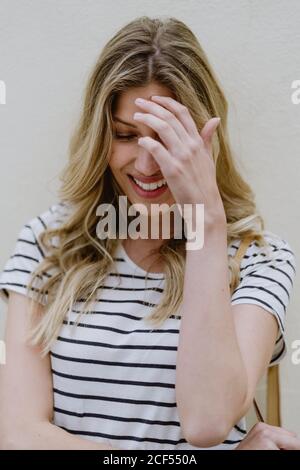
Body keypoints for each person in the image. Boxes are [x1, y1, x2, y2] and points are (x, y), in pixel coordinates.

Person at [0, 16, 298, 450]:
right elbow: (20, 436)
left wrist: (207, 226)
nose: (145, 165)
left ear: (204, 137)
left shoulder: (258, 257)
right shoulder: (48, 244)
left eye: (165, 138)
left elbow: (207, 422)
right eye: (125, 135)